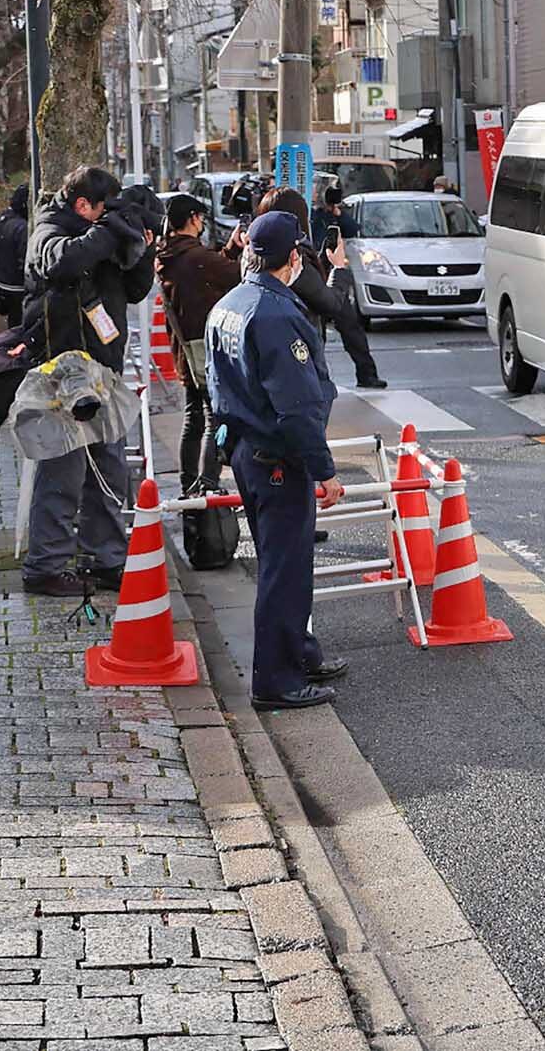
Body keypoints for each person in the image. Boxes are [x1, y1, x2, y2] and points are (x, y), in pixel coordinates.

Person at [206, 211, 347, 711]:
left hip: (248, 450)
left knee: (280, 560)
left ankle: (299, 653)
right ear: (293, 258)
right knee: (285, 569)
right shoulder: (277, 314)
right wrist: (325, 471)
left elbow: (217, 388)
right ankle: (278, 680)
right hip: (278, 455)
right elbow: (298, 405)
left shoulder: (228, 304)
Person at [20, 166, 158, 598]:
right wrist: (108, 231)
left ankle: (106, 560)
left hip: (103, 373)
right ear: (84, 206)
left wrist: (141, 248)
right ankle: (45, 566)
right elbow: (63, 263)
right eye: (104, 210)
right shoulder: (48, 229)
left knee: (109, 472)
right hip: (63, 373)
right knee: (63, 470)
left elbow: (133, 290)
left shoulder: (101, 236)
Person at [257, 186, 387, 390]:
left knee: (349, 331)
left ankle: (365, 374)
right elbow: (330, 302)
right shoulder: (294, 255)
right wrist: (338, 267)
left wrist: (337, 214)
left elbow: (353, 228)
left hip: (314, 286)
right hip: (316, 294)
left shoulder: (256, 251)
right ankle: (327, 381)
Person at [158, 193, 240, 493]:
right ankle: (207, 484)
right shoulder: (194, 257)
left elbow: (215, 268)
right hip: (203, 348)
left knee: (193, 417)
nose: (203, 223)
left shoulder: (168, 254)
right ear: (193, 218)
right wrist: (237, 252)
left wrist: (230, 248)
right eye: (202, 218)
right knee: (213, 418)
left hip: (183, 349)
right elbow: (233, 275)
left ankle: (188, 486)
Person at [0, 185, 29, 330]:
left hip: (2, 280)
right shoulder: (22, 227)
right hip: (17, 284)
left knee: (13, 325)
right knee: (20, 324)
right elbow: (25, 257)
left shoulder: (2, 220)